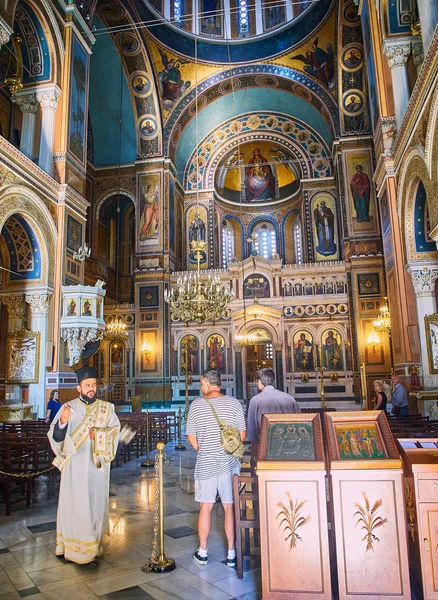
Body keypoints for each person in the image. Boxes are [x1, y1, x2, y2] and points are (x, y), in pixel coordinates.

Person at [48, 367, 120, 564]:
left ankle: (93, 546)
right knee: (75, 503)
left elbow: (115, 431)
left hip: (96, 466)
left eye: (94, 385)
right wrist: (63, 422)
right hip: (74, 466)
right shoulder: (67, 408)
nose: (91, 389)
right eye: (87, 385)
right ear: (78, 387)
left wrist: (100, 435)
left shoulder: (107, 408)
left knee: (94, 503)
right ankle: (71, 547)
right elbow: (55, 437)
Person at [186, 369, 246, 568]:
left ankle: (202, 552)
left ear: (205, 383)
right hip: (230, 463)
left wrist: (204, 450)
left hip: (206, 464)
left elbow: (191, 438)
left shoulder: (196, 405)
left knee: (206, 507)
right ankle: (231, 553)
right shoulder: (234, 403)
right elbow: (242, 435)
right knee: (229, 507)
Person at [247, 368, 301, 453]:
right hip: (290, 444)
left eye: (256, 381)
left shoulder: (255, 400)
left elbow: (253, 429)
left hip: (266, 445)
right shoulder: (289, 398)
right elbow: (300, 421)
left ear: (260, 381)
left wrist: (254, 448)